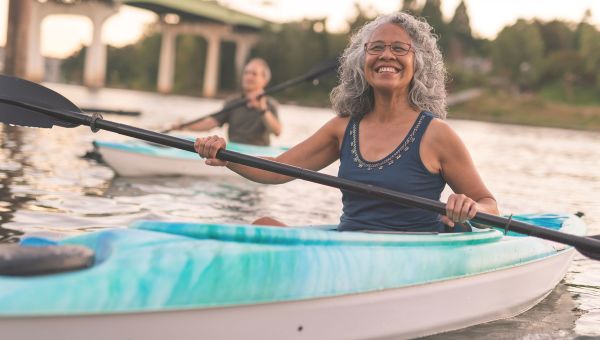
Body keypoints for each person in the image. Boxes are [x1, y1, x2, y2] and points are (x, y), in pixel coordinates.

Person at [194, 12, 499, 232]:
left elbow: (489, 204)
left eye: (399, 48)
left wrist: (470, 208)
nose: (386, 55)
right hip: (349, 251)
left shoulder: (437, 134)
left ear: (418, 62)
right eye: (376, 47)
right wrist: (225, 154)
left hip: (409, 255)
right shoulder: (343, 128)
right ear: (361, 61)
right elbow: (275, 170)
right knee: (262, 226)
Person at [180, 58, 281, 146]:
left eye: (254, 74)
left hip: (259, 154)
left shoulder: (270, 104)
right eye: (246, 73)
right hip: (235, 151)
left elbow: (277, 131)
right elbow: (211, 123)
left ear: (264, 80)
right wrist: (184, 125)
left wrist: (262, 109)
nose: (249, 77)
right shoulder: (233, 101)